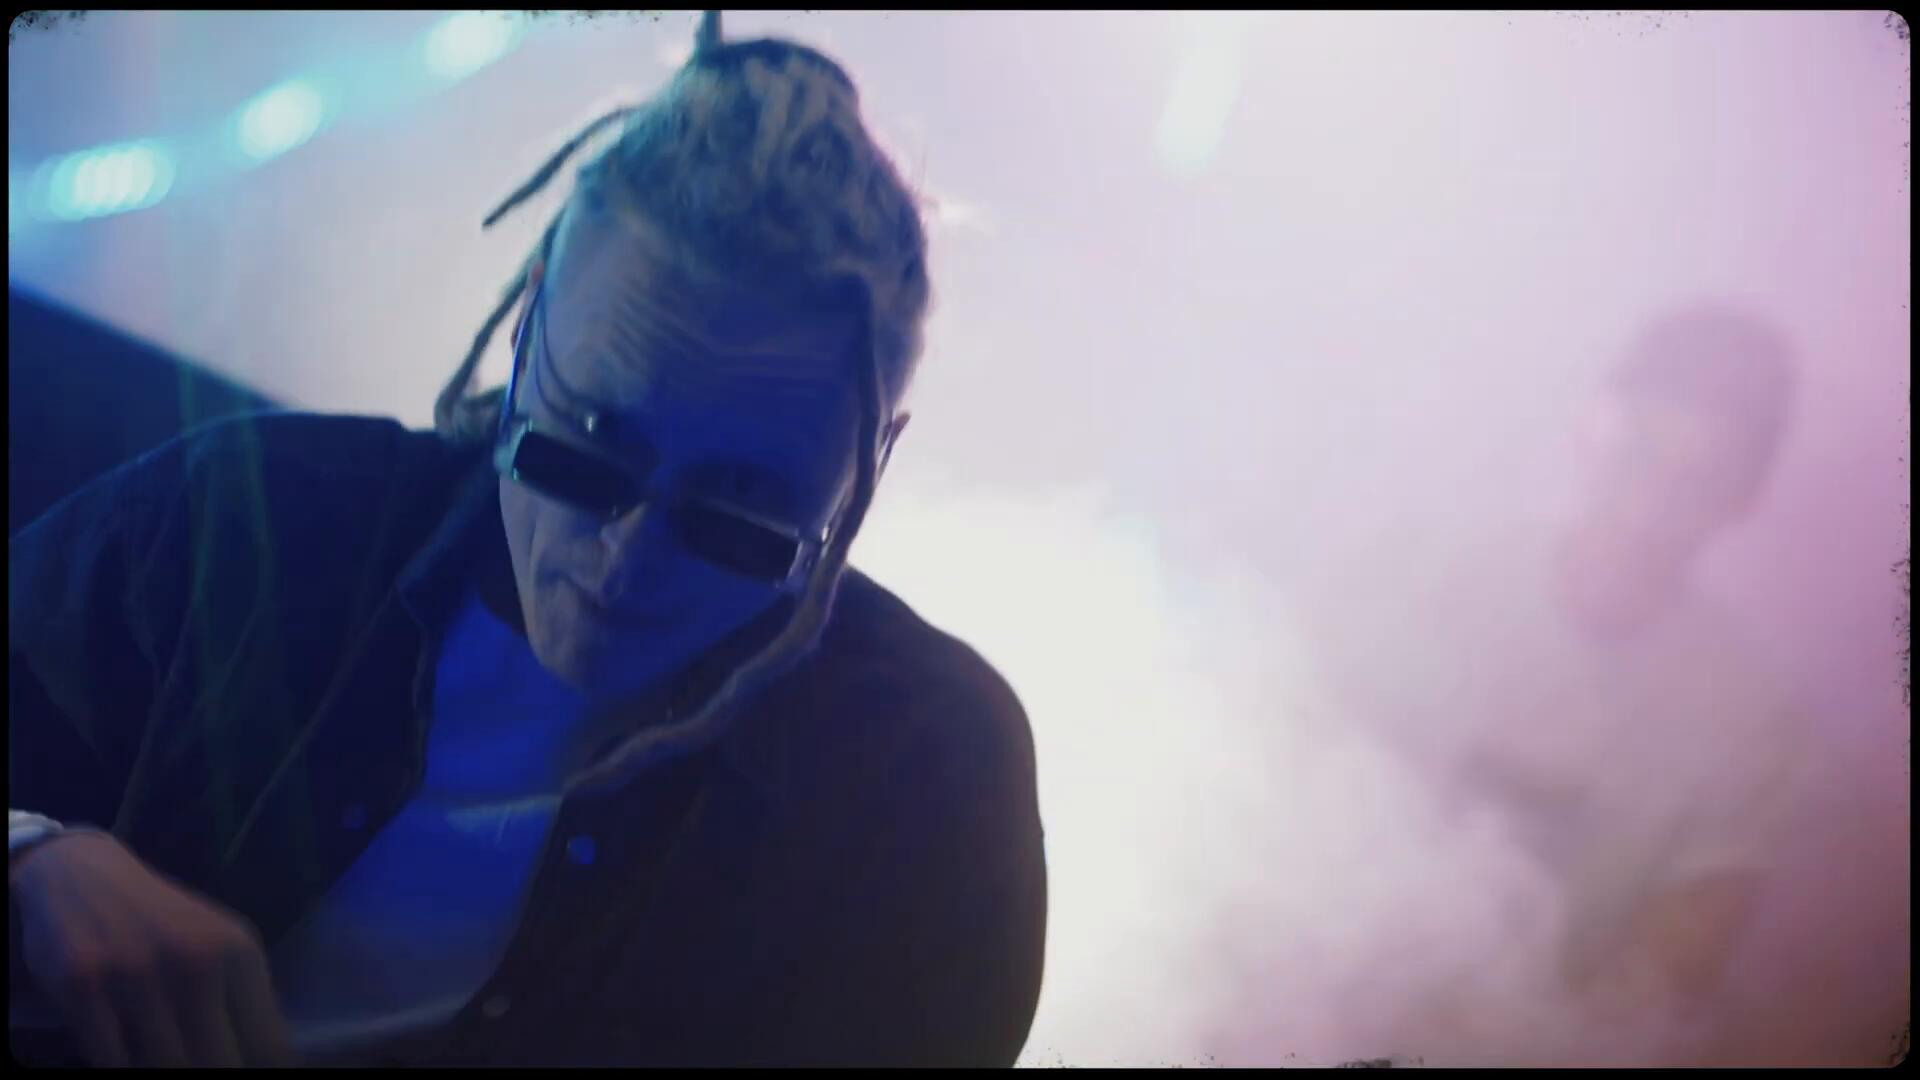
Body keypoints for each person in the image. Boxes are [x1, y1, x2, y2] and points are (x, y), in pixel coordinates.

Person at [8, 13, 1046, 1068]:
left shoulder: (919, 778)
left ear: (871, 466)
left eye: (738, 523)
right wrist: (31, 860)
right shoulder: (247, 524)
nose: (626, 564)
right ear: (527, 319)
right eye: (581, 453)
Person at [1292, 301, 1812, 1065]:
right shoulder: (1431, 580)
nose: (1646, 509)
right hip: (1313, 1017)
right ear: (1591, 429)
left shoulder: (1749, 720)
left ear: (1743, 500)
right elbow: (1296, 786)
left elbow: (1667, 976)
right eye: (1636, 456)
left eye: (1694, 485)